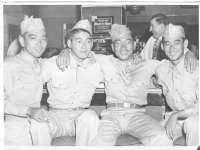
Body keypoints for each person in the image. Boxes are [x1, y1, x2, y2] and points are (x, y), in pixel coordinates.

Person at [30, 19, 104, 146]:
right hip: (56, 117)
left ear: (92, 44)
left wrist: (137, 57)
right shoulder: (52, 64)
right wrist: (30, 109)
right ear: (69, 43)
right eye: (79, 41)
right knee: (38, 122)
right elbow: (29, 82)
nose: (84, 46)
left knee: (91, 116)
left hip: (81, 118)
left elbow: (121, 62)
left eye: (88, 41)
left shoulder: (98, 66)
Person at [4, 16, 49, 146]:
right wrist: (29, 110)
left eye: (43, 39)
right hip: (15, 130)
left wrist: (66, 52)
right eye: (33, 38)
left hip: (38, 127)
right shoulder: (9, 66)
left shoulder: (42, 64)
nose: (39, 44)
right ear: (22, 41)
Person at [155, 23, 199, 146]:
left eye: (176, 43)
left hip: (196, 117)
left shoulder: (197, 68)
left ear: (185, 45)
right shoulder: (161, 69)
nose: (172, 48)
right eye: (167, 44)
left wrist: (177, 115)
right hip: (175, 119)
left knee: (193, 123)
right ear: (162, 47)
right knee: (155, 136)